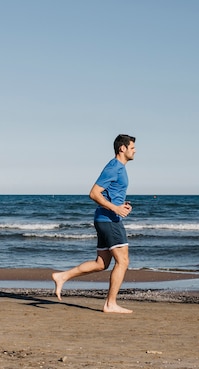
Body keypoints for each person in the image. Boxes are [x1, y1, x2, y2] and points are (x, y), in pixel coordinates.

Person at [52, 134, 136, 313]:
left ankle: (62, 276)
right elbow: (94, 193)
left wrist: (122, 206)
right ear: (123, 148)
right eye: (132, 147)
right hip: (109, 220)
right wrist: (115, 209)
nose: (135, 150)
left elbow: (109, 194)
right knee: (123, 261)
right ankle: (110, 304)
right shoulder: (114, 167)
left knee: (101, 263)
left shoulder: (119, 168)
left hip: (106, 218)